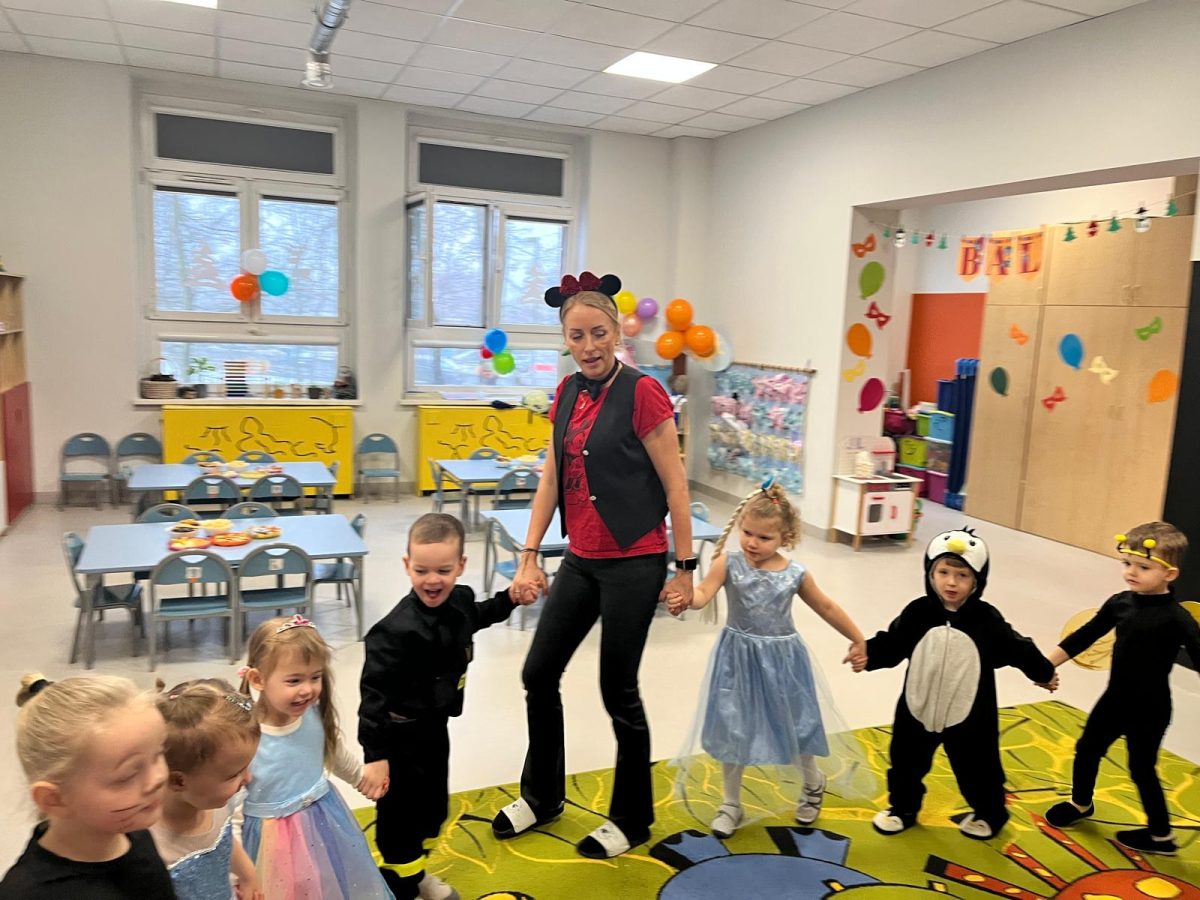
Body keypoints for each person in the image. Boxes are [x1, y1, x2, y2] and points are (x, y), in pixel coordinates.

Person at [490, 270, 697, 860]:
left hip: (636, 561)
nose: (588, 346)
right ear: (565, 338)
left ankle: (632, 818)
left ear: (617, 332)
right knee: (538, 674)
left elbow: (676, 485)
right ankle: (543, 795)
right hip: (581, 559)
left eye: (598, 333)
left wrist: (685, 568)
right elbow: (551, 478)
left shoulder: (644, 393)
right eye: (576, 336)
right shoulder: (566, 393)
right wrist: (529, 555)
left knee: (617, 690)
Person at [667, 479, 866, 838]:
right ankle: (731, 803)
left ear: (785, 538)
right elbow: (703, 593)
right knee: (733, 727)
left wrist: (857, 638)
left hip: (784, 663)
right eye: (747, 533)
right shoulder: (728, 563)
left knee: (797, 725)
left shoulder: (795, 574)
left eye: (764, 537)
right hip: (737, 661)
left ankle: (812, 782)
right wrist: (686, 598)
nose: (752, 543)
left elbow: (826, 606)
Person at [359, 512, 529, 900]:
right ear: (407, 565)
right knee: (399, 816)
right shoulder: (392, 632)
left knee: (433, 808)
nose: (432, 580)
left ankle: (415, 872)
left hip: (435, 728)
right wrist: (376, 756)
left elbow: (480, 615)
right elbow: (372, 698)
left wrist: (511, 598)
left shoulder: (461, 600)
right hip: (399, 738)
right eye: (421, 570)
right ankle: (401, 884)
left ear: (461, 565)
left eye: (443, 570)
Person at [858, 529, 1057, 840]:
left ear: (977, 580)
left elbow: (1017, 648)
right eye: (943, 573)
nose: (951, 582)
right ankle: (903, 808)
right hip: (918, 707)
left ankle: (990, 813)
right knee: (905, 762)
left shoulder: (987, 619)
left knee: (979, 767)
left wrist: (1043, 672)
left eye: (962, 575)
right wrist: (866, 654)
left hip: (971, 715)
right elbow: (892, 642)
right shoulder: (917, 612)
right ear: (930, 573)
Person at [1044, 522, 1200, 856]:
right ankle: (1081, 803)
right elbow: (1085, 636)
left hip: (1152, 708)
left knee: (1142, 769)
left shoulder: (1178, 619)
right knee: (1087, 749)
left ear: (1169, 574)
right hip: (1114, 700)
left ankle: (1161, 835)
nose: (1131, 572)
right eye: (1127, 563)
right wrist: (1045, 665)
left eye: (1143, 567)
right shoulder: (1120, 603)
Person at [237, 616, 392, 899]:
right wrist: (239, 869)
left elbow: (330, 750)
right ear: (258, 680)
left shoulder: (312, 715)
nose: (307, 689)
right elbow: (232, 806)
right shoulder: (245, 737)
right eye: (294, 680)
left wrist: (359, 777)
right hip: (272, 844)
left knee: (329, 883)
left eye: (315, 677)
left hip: (323, 822)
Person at [0, 673, 175, 899]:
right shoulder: (28, 893)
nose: (158, 777)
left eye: (159, 754)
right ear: (54, 799)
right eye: (128, 775)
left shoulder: (135, 834)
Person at [151, 678, 262, 900]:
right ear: (178, 781)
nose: (248, 778)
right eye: (233, 775)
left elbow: (223, 839)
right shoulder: (150, 847)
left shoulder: (214, 803)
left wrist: (248, 874)